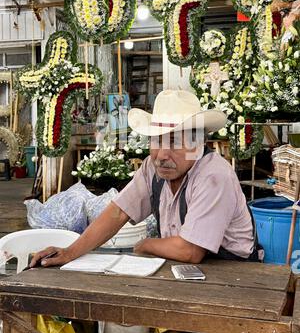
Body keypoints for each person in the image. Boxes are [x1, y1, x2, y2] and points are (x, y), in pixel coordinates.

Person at [30, 90, 261, 269]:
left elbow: (190, 251)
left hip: (233, 274)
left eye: (174, 142)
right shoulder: (153, 167)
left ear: (197, 145)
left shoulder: (214, 175)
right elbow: (118, 212)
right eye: (156, 141)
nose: (162, 155)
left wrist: (145, 244)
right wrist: (70, 252)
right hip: (186, 269)